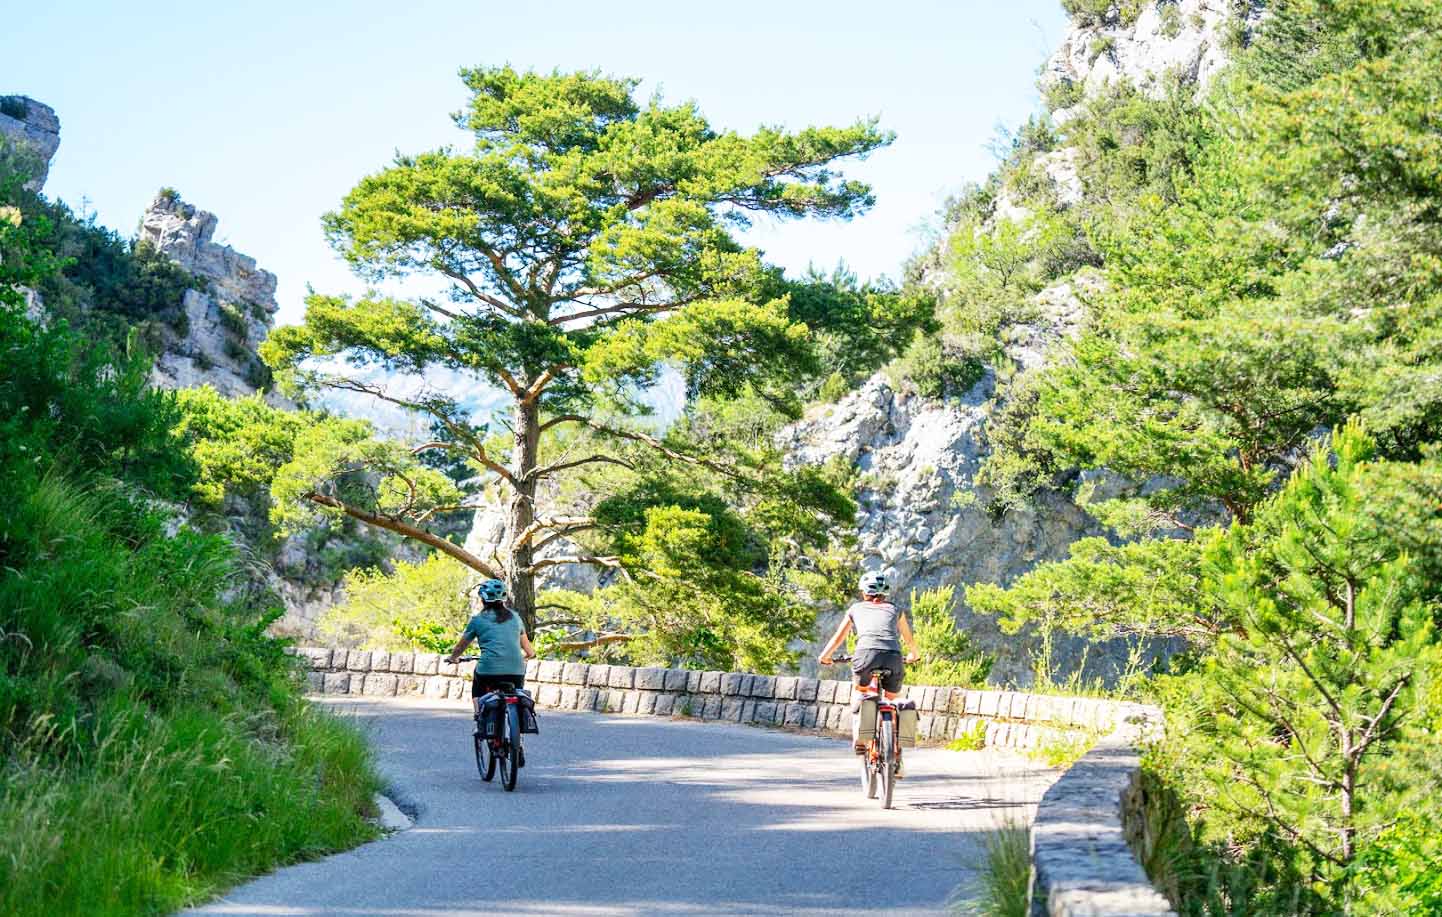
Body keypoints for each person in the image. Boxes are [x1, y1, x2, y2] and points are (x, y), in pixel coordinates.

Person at [817, 570, 920, 771]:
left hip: (865, 655)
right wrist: (914, 655)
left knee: (861, 691)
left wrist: (825, 656)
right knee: (892, 698)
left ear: (864, 592)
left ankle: (861, 738)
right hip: (893, 656)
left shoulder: (855, 609)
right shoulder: (895, 609)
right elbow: (908, 639)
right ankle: (897, 750)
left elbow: (839, 638)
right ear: (886, 593)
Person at [445, 578, 537, 701]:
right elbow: (530, 652)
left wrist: (453, 658)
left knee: (477, 691)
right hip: (516, 671)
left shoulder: (477, 620)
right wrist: (522, 657)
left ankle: (479, 715)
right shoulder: (516, 618)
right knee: (517, 695)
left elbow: (460, 647)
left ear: (482, 598)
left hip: (488, 670)